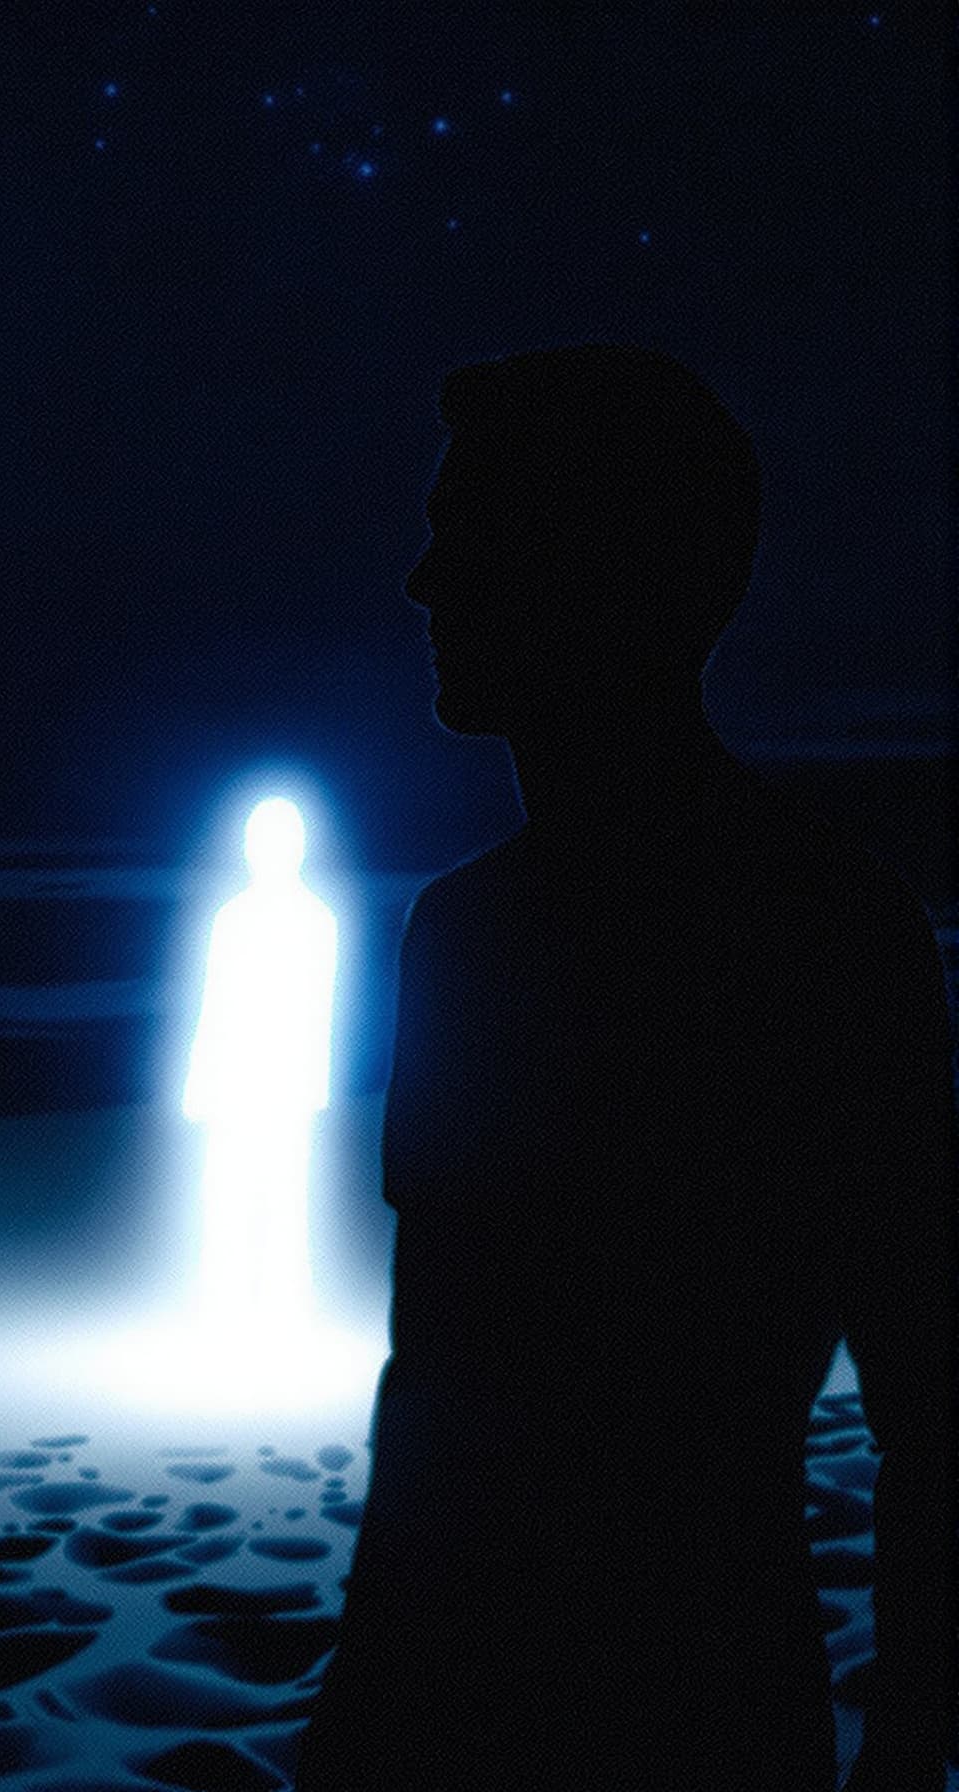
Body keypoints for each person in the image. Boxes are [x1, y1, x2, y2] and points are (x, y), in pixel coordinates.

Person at [293, 344, 953, 1792]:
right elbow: (442, 1386)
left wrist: (907, 1741)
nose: (422, 583)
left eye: (469, 538)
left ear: (596, 570)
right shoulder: (489, 932)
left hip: (658, 1705)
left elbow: (927, 1399)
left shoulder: (800, 930)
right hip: (627, 1691)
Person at [181, 795, 338, 1330]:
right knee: (229, 1192)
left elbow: (316, 1009)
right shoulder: (239, 917)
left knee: (283, 1195)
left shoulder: (313, 919)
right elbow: (215, 1005)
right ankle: (224, 1300)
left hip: (280, 1087)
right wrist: (199, 1086)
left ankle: (281, 1302)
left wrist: (313, 1087)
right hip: (241, 1085)